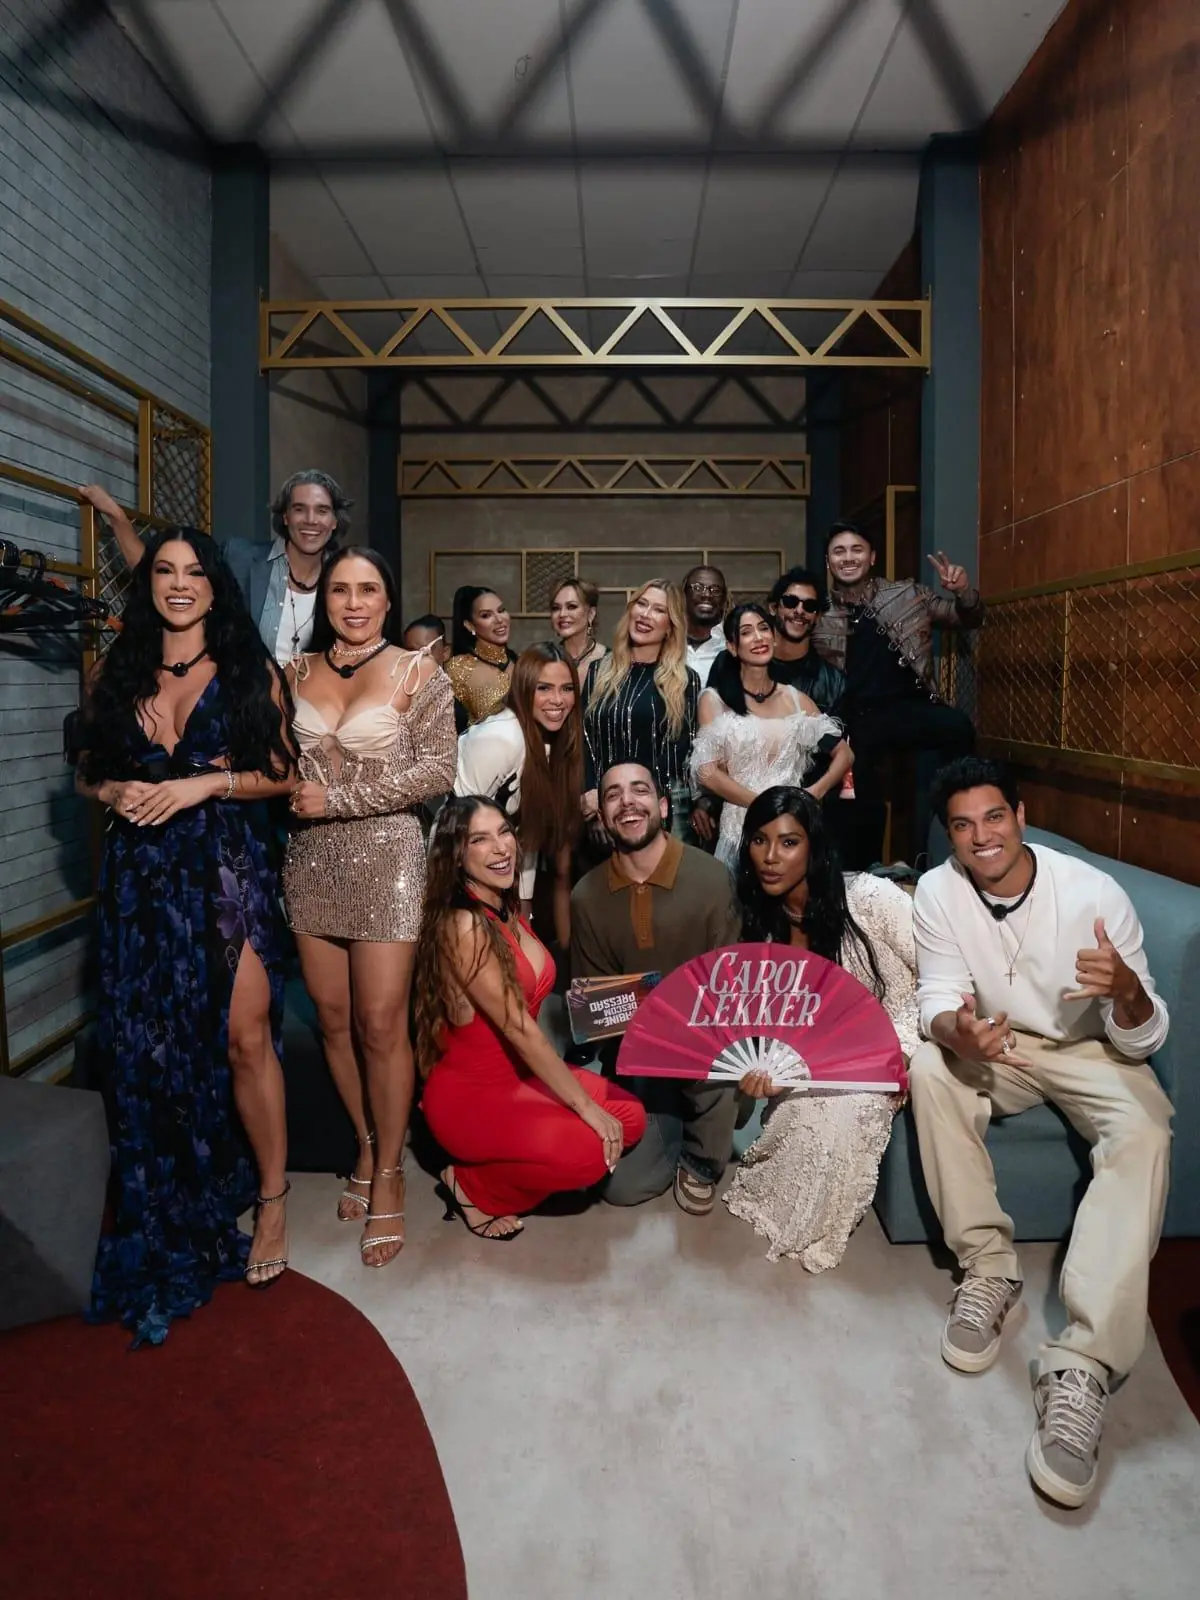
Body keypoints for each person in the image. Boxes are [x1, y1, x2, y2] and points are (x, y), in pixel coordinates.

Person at [909, 757, 1173, 1509]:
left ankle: (1083, 1365)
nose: (981, 837)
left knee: (1146, 1129)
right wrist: (957, 1031)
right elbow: (935, 997)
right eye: (963, 825)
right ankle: (989, 1268)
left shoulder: (1094, 894)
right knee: (929, 1068)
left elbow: (1144, 1039)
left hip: (1092, 1048)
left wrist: (1127, 991)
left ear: (1021, 816)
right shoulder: (937, 889)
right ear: (950, 834)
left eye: (994, 817)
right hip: (1002, 1042)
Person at [70, 527, 295, 1344]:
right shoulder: (118, 669)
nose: (177, 584)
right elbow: (84, 770)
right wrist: (114, 792)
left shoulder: (246, 669)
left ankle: (272, 1198)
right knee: (155, 1047)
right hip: (142, 881)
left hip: (225, 871)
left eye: (193, 572)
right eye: (164, 570)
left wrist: (207, 784)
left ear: (213, 585)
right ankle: (182, 1185)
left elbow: (284, 774)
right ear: (149, 584)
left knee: (244, 1036)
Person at [284, 547, 457, 1268]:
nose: (353, 603)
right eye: (340, 590)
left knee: (380, 1024)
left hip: (388, 860)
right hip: (309, 862)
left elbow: (439, 770)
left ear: (388, 599)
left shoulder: (421, 673)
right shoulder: (294, 674)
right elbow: (277, 764)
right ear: (324, 599)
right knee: (331, 1020)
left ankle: (390, 1170)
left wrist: (339, 799)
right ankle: (363, 1142)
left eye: (368, 590)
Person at [415, 797, 646, 1238]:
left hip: (521, 1077)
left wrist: (634, 1000)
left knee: (630, 1117)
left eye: (504, 831)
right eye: (479, 839)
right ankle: (471, 1186)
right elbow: (518, 1027)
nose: (500, 847)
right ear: (456, 854)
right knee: (591, 1152)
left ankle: (527, 1154)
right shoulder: (464, 924)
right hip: (473, 1100)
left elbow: (539, 993)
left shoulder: (504, 907)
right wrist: (584, 1109)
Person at [722, 788, 918, 1270]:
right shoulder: (759, 927)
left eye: (788, 842)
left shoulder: (870, 898)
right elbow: (780, 1027)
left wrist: (904, 1050)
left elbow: (941, 976)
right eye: (759, 841)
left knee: (843, 1113)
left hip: (900, 1036)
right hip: (821, 1058)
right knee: (796, 1114)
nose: (770, 857)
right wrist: (767, 1070)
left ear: (815, 847)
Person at [571, 763, 742, 1214]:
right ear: (603, 818)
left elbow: (729, 991)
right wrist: (666, 1006)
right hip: (637, 1055)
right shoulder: (586, 896)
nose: (627, 801)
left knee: (718, 1068)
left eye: (639, 790)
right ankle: (671, 1125)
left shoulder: (712, 879)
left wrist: (657, 1005)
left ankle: (702, 1156)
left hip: (707, 1054)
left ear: (663, 807)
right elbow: (594, 1010)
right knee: (621, 1190)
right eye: (613, 795)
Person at [814, 520, 983, 865]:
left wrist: (963, 592)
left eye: (857, 549)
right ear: (828, 561)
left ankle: (956, 824)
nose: (848, 558)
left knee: (958, 727)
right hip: (857, 717)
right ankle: (865, 870)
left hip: (910, 706)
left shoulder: (907, 594)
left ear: (872, 557)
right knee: (855, 790)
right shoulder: (820, 612)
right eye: (839, 551)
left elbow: (965, 618)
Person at [80, 470, 352, 667]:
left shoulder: (348, 578)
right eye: (300, 509)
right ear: (285, 516)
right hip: (247, 707)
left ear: (335, 521)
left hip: (316, 712)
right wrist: (117, 517)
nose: (311, 520)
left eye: (322, 511)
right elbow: (157, 574)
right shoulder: (239, 557)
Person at [691, 602, 851, 869]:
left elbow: (844, 753)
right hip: (739, 832)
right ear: (732, 646)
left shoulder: (796, 700)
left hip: (791, 829)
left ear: (774, 637)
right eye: (746, 632)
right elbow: (707, 773)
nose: (758, 637)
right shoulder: (715, 700)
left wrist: (813, 793)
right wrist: (764, 805)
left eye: (764, 628)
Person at [455, 642, 582, 944]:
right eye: (544, 688)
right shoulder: (501, 738)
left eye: (567, 689)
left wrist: (522, 908)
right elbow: (454, 828)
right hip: (459, 875)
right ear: (524, 689)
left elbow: (526, 831)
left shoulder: (554, 743)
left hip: (504, 873)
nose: (558, 700)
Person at [581, 580, 702, 843]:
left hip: (659, 811)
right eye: (642, 604)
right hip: (600, 810)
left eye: (659, 610)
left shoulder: (684, 681)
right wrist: (594, 793)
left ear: (670, 626)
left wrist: (638, 803)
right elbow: (583, 740)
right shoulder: (597, 672)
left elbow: (679, 754)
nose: (646, 615)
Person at [766, 566, 846, 711]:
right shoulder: (745, 668)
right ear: (773, 608)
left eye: (810, 606)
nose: (799, 610)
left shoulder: (834, 682)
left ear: (818, 616)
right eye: (790, 602)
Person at [445, 585, 516, 730]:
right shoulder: (458, 668)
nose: (499, 619)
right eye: (486, 615)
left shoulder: (522, 663)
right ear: (470, 626)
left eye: (501, 610)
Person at [549, 577, 607, 677]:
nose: (562, 614)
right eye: (556, 608)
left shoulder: (611, 662)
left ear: (591, 613)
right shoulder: (544, 661)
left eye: (571, 606)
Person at [682, 564, 727, 686]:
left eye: (715, 590)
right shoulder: (664, 643)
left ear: (723, 600)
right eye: (698, 588)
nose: (707, 595)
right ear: (683, 596)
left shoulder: (731, 649)